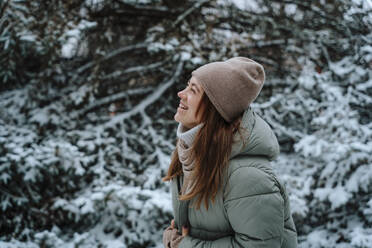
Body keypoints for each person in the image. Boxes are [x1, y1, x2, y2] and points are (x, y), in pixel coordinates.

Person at [162, 57, 298, 248]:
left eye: (193, 90)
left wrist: (184, 245)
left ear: (215, 108)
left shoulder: (248, 177)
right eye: (187, 85)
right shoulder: (192, 157)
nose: (181, 93)